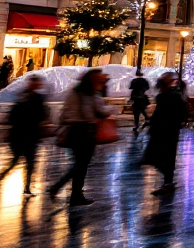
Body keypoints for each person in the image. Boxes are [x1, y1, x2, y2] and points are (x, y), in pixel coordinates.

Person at [48, 69, 111, 206]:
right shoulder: (88, 93)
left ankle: (61, 188)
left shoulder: (74, 91)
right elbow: (93, 112)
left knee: (79, 164)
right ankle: (74, 195)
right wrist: (109, 110)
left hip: (73, 130)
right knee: (82, 165)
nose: (101, 80)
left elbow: (65, 112)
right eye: (99, 78)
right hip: (84, 131)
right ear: (92, 79)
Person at [0, 75, 47, 195]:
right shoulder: (37, 98)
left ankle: (21, 183)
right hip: (28, 134)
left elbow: (12, 115)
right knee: (28, 162)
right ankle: (25, 186)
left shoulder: (23, 96)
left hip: (19, 134)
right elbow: (42, 116)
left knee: (21, 161)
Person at [143, 72, 187, 195]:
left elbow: (163, 114)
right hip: (168, 130)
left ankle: (168, 182)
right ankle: (168, 182)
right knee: (165, 157)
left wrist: (155, 123)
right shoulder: (174, 95)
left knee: (161, 157)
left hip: (165, 131)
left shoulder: (170, 96)